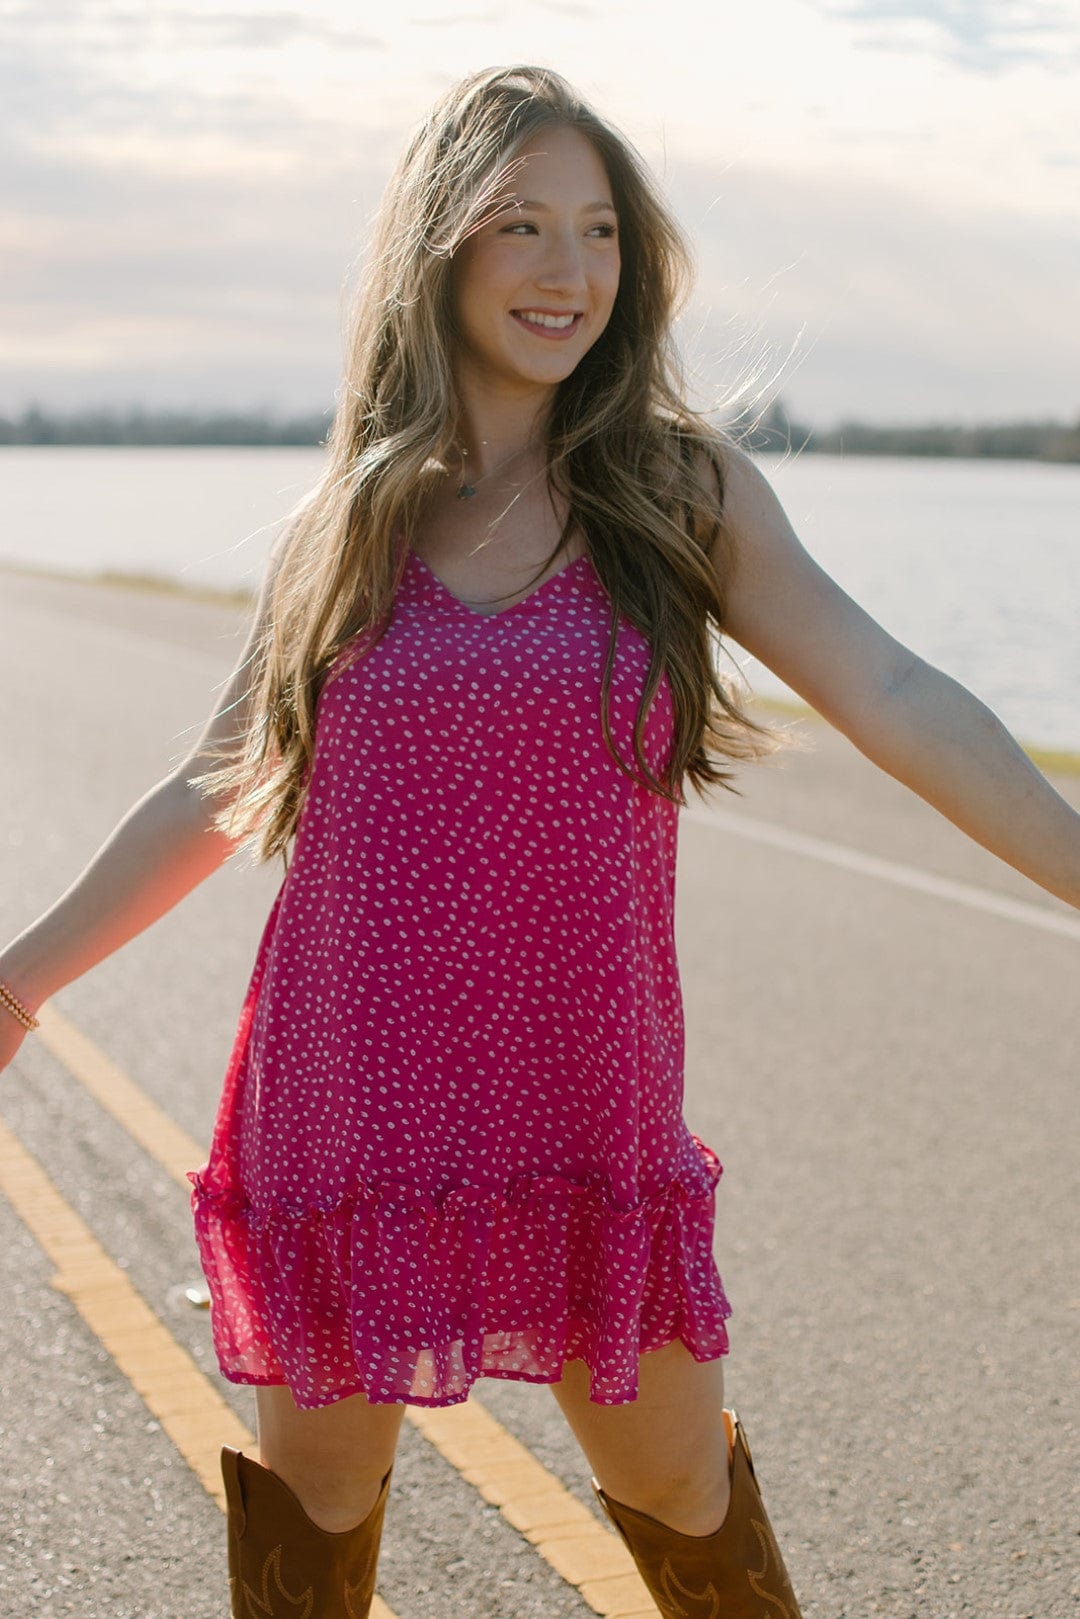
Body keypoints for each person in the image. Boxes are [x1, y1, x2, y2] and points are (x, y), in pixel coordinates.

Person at [2, 62, 1078, 1619]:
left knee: (676, 1484)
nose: (568, 272)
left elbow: (894, 691)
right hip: (350, 1089)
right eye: (521, 226)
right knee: (319, 1499)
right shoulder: (351, 523)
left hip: (584, 1090)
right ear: (440, 249)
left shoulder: (678, 492)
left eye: (599, 232)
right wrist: (18, 988)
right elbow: (216, 781)